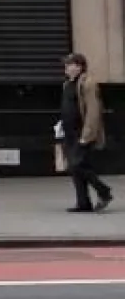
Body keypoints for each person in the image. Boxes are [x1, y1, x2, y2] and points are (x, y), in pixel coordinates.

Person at [60, 52, 112, 213]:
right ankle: (83, 203)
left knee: (77, 165)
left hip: (81, 132)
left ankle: (104, 191)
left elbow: (93, 110)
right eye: (66, 65)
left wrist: (87, 135)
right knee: (76, 168)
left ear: (79, 66)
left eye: (69, 65)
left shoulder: (88, 83)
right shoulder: (67, 84)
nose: (66, 68)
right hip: (69, 132)